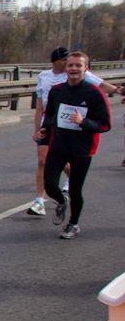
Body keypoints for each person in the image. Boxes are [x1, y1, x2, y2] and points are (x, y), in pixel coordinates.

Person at [28, 47, 123, 216]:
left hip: (76, 136)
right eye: (66, 61)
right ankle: (40, 201)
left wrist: (118, 90)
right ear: (57, 62)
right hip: (52, 127)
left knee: (70, 174)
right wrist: (39, 129)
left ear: (84, 68)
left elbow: (101, 86)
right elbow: (42, 106)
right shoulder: (47, 79)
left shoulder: (84, 79)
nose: (71, 66)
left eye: (76, 64)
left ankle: (72, 192)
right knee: (42, 161)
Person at [38, 51, 111, 239]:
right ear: (66, 68)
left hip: (82, 149)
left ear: (86, 69)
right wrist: (44, 131)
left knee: (76, 190)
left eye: (78, 65)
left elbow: (105, 124)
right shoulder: (57, 90)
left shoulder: (94, 93)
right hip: (59, 146)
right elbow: (50, 115)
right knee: (50, 185)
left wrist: (83, 122)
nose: (74, 68)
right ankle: (61, 201)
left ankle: (73, 224)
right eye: (70, 65)